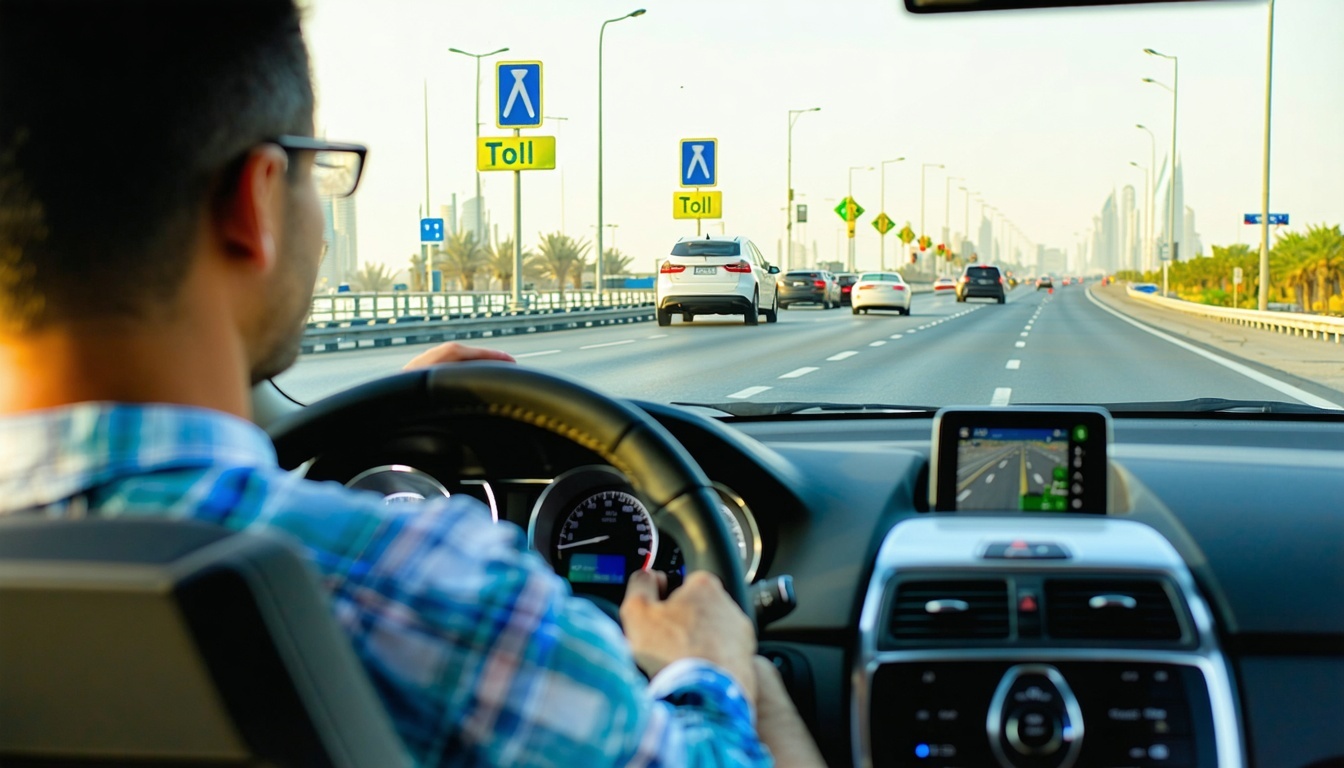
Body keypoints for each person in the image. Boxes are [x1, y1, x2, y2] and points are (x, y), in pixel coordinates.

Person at [0, 1, 824, 766]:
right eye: (318, 175)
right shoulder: (427, 583)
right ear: (255, 202)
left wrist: (358, 432)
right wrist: (710, 670)